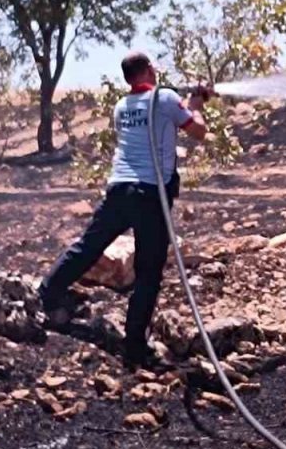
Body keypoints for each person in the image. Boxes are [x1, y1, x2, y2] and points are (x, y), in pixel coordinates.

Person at [39, 51, 211, 369]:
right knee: (148, 271)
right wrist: (197, 105)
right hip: (150, 193)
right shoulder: (166, 98)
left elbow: (159, 120)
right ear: (147, 70)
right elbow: (197, 131)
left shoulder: (122, 107)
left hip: (119, 189)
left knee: (88, 246)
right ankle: (134, 345)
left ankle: (47, 294)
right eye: (153, 67)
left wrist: (189, 103)